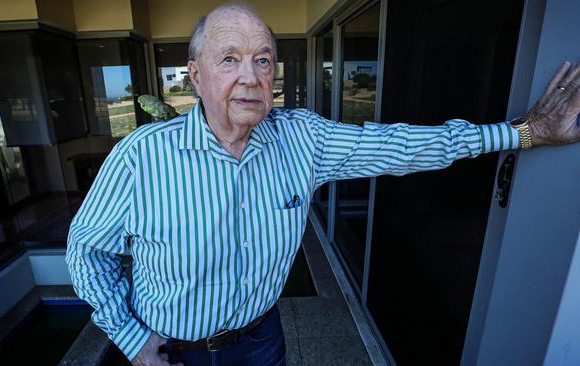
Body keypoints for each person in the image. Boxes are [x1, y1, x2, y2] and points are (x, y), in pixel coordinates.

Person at [66, 3, 580, 366]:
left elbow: (405, 146)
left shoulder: (302, 139)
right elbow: (86, 252)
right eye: (229, 58)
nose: (250, 76)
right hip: (173, 350)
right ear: (195, 76)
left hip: (262, 340)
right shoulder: (141, 157)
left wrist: (523, 133)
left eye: (263, 59)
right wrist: (132, 338)